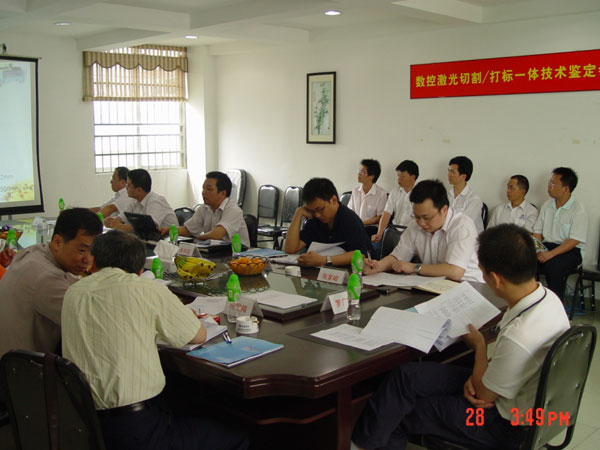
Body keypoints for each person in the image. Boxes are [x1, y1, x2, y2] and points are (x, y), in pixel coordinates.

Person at [352, 224, 570, 450]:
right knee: (405, 377)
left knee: (398, 412)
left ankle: (365, 444)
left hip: (502, 424)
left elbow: (483, 394)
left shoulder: (520, 334)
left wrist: (480, 348)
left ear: (496, 279)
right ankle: (363, 444)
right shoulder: (549, 298)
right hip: (513, 394)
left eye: (482, 272)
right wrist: (480, 375)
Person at [62, 230, 248, 450]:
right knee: (238, 435)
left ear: (93, 263)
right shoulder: (147, 289)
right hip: (135, 432)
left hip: (82, 425)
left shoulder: (73, 292)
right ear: (140, 270)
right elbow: (198, 335)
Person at [0, 208, 102, 357]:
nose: (88, 260)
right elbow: (92, 324)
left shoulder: (33, 252)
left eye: (92, 252)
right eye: (81, 250)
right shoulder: (46, 278)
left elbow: (69, 281)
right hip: (23, 367)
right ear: (57, 242)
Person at [364, 179, 483, 283]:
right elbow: (398, 257)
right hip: (433, 284)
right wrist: (378, 266)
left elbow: (455, 271)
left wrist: (414, 268)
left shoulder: (461, 225)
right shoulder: (414, 225)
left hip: (469, 286)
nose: (421, 223)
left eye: (426, 217)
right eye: (416, 217)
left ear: (444, 210)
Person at [284, 177, 373, 266]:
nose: (317, 215)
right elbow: (290, 249)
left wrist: (325, 260)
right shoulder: (315, 220)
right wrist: (298, 213)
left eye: (320, 209)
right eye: (312, 211)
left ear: (334, 200)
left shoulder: (349, 219)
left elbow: (360, 254)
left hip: (358, 270)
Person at [533, 167, 587, 300]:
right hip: (547, 246)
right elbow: (537, 232)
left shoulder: (578, 209)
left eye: (553, 184)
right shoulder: (547, 205)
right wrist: (538, 250)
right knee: (525, 261)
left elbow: (574, 240)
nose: (548, 187)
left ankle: (555, 305)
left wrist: (550, 254)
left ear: (565, 188)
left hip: (570, 251)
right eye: (549, 183)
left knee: (554, 267)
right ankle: (531, 300)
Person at [160, 171, 250, 247]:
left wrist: (198, 238)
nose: (203, 192)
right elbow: (188, 230)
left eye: (209, 189)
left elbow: (216, 235)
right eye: (203, 188)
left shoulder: (233, 210)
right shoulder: (204, 208)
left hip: (239, 253)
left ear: (222, 193)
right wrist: (167, 230)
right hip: (215, 250)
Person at [104, 168, 178, 231]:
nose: (126, 188)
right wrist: (112, 221)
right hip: (149, 239)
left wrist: (120, 226)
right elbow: (122, 217)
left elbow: (148, 227)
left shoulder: (155, 201)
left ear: (139, 190)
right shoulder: (134, 201)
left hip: (168, 240)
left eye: (128, 185)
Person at [372, 160, 419, 245]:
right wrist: (380, 233)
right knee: (374, 245)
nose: (398, 178)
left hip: (411, 233)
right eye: (398, 175)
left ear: (412, 178)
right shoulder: (394, 192)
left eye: (403, 176)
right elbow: (386, 214)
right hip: (393, 230)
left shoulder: (420, 195)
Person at [447, 156, 484, 233]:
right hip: (449, 234)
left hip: (468, 237)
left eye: (452, 172)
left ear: (463, 176)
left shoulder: (474, 200)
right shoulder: (446, 195)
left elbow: (463, 224)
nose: (449, 175)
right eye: (449, 171)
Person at [348, 159, 387, 229]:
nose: (359, 174)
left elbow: (379, 218)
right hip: (355, 227)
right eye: (359, 171)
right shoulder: (355, 191)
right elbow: (350, 212)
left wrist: (361, 223)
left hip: (371, 228)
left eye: (362, 172)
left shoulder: (381, 194)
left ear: (371, 176)